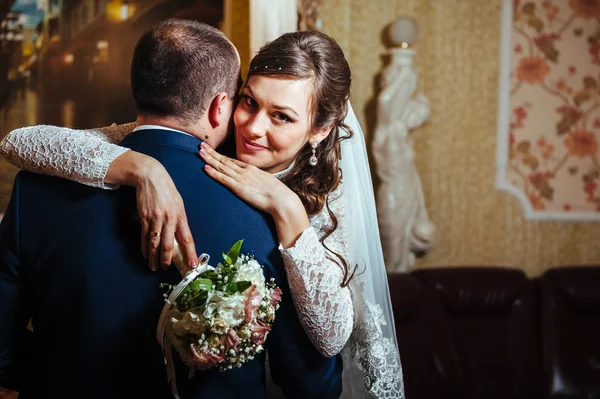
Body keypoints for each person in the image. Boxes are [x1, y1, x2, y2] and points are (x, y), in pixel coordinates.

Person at [1, 27, 404, 398]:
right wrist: (144, 168)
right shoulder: (213, 149)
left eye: (281, 116)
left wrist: (288, 209)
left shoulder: (317, 208)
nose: (252, 128)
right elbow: (20, 142)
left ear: (320, 128)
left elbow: (330, 340)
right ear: (224, 104)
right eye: (248, 102)